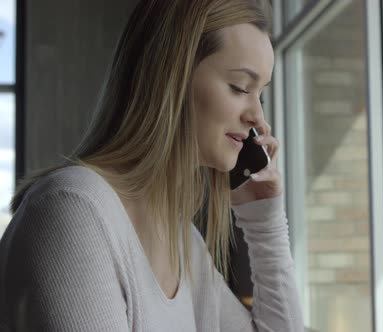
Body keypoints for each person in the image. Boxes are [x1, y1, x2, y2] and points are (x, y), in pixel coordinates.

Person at [0, 0, 303, 331]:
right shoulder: (72, 210)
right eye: (240, 87)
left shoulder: (184, 244)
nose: (257, 118)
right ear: (171, 77)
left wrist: (265, 221)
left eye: (258, 95)